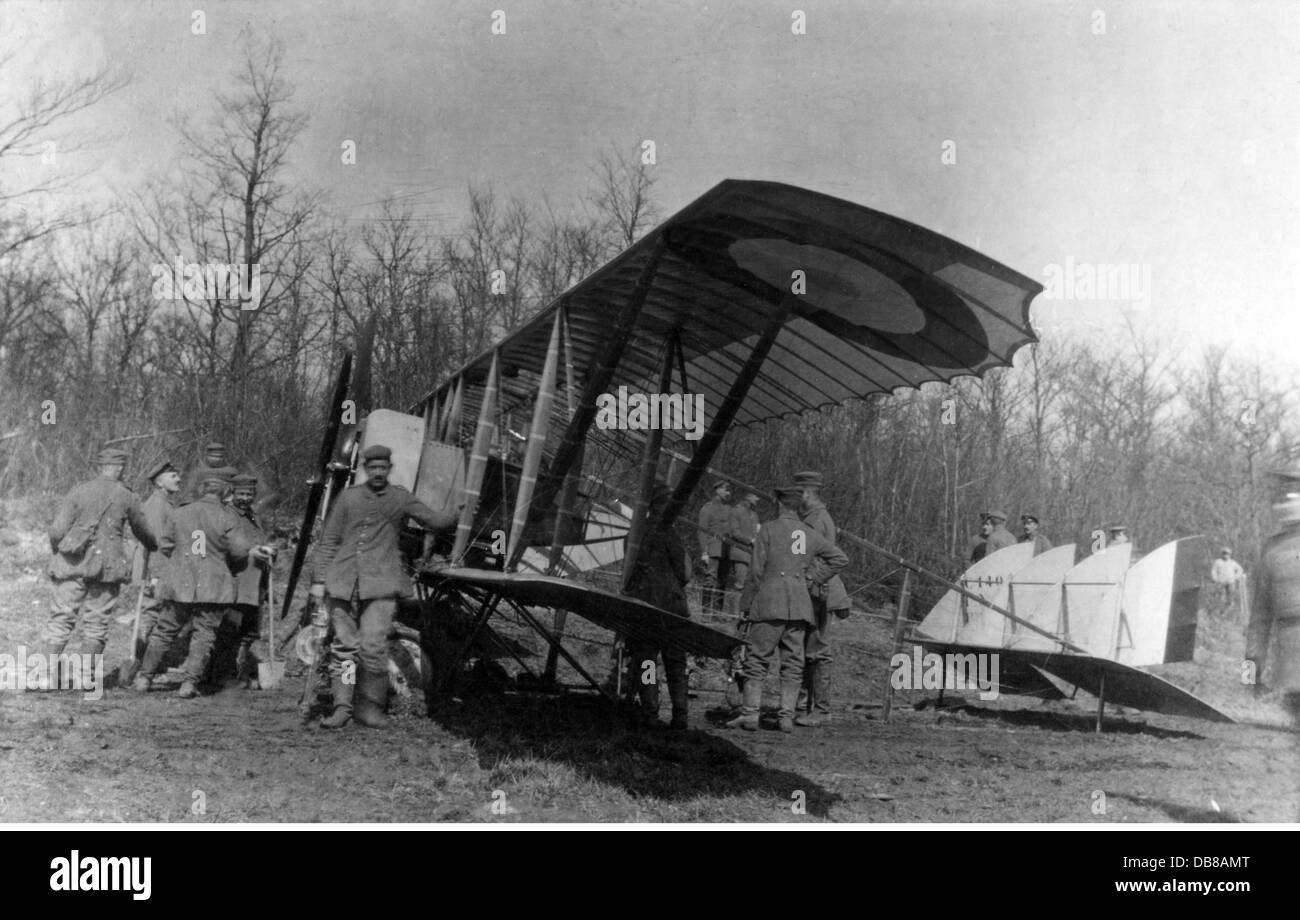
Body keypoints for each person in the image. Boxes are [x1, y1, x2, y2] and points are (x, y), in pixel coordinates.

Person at [310, 444, 458, 729]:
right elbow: (328, 541)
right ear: (366, 469)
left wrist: (461, 511)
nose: (378, 473)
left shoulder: (400, 498)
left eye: (383, 468)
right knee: (344, 648)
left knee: (374, 647)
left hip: (380, 585)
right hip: (342, 582)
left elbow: (436, 520)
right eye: (373, 467)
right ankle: (342, 707)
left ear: (389, 469)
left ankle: (369, 708)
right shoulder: (348, 498)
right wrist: (318, 581)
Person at [133, 468, 271, 698]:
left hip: (180, 582)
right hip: (213, 583)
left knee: (164, 630)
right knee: (204, 634)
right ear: (225, 492)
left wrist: (186, 558)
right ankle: (188, 684)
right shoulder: (227, 517)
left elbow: (165, 545)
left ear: (202, 491)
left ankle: (144, 678)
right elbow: (238, 552)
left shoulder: (181, 512)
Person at [726, 484, 847, 733]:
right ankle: (786, 718)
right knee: (793, 663)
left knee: (757, 659)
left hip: (769, 603)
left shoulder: (768, 530)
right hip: (801, 607)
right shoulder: (809, 533)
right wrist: (813, 579)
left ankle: (750, 715)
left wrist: (746, 606)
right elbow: (840, 559)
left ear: (780, 503)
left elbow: (756, 573)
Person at [45, 447, 159, 689]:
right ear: (119, 468)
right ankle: (87, 679)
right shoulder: (127, 496)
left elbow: (56, 530)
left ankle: (46, 676)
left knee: (61, 618)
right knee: (97, 621)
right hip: (106, 569)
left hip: (72, 564)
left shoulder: (79, 491)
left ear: (100, 467)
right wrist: (153, 545)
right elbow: (144, 532)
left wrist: (61, 550)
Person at [624, 482, 692, 730]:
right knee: (676, 662)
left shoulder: (633, 533)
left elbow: (628, 571)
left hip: (644, 607)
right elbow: (684, 573)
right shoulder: (669, 533)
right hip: (672, 608)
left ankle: (650, 711)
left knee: (647, 661)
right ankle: (680, 714)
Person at [793, 470, 851, 727]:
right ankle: (803, 707)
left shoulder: (816, 520)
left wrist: (811, 582)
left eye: (799, 494)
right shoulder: (810, 517)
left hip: (820, 592)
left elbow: (818, 558)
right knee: (808, 649)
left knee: (818, 650)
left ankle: (821, 710)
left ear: (807, 493)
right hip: (814, 589)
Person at [1247, 469, 1300, 720]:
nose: (1289, 500)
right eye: (1284, 495)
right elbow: (1258, 621)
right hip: (1289, 663)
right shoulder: (1271, 550)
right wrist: (1248, 678)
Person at [220, 473, 270, 688]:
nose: (245, 498)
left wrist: (268, 550)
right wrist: (250, 551)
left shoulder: (253, 516)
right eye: (241, 493)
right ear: (232, 493)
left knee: (249, 631)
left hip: (255, 582)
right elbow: (223, 544)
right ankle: (223, 674)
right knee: (229, 630)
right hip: (235, 581)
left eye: (249, 493)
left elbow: (260, 538)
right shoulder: (225, 514)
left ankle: (239, 673)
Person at [136, 459, 181, 657]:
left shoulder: (164, 503)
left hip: (162, 567)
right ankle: (140, 659)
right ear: (160, 483)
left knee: (155, 611)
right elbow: (154, 543)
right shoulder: (156, 506)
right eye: (173, 476)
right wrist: (155, 575)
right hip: (156, 568)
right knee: (151, 612)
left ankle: (147, 659)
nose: (178, 479)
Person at [697, 480, 734, 612]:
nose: (728, 493)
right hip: (713, 550)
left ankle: (717, 613)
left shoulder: (730, 509)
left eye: (729, 490)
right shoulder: (708, 508)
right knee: (710, 580)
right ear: (717, 490)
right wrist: (704, 552)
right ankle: (705, 612)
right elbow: (702, 531)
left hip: (726, 551)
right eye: (725, 489)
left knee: (722, 582)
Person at [728, 490, 761, 593]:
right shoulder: (736, 511)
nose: (757, 500)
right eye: (755, 497)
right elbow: (735, 532)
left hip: (752, 554)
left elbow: (756, 531)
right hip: (741, 553)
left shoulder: (754, 514)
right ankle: (734, 609)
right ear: (748, 497)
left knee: (750, 586)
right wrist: (750, 540)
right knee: (740, 585)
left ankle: (743, 609)